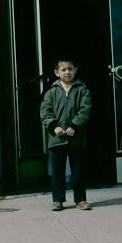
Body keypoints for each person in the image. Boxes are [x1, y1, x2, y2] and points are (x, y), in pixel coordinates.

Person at [40, 57, 92, 211]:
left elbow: (85, 110)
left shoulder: (83, 90)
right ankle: (58, 200)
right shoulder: (51, 92)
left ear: (75, 70)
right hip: (57, 138)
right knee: (57, 171)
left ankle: (80, 199)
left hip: (77, 138)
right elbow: (45, 111)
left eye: (70, 69)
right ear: (57, 73)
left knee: (78, 171)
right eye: (63, 69)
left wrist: (74, 125)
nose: (67, 72)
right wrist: (54, 126)